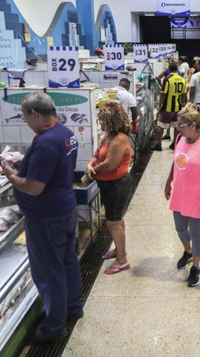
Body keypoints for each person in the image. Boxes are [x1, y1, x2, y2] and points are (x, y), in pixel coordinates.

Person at [0, 92, 81, 342]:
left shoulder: (46, 141)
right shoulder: (66, 133)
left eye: (25, 117)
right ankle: (73, 308)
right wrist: (26, 161)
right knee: (68, 262)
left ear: (35, 114)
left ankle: (54, 328)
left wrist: (10, 175)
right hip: (66, 209)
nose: (25, 121)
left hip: (47, 217)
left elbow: (34, 187)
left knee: (49, 272)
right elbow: (54, 166)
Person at [164, 103, 200, 287]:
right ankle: (188, 252)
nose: (177, 129)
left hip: (198, 198)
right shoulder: (180, 140)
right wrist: (168, 182)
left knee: (196, 233)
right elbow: (176, 162)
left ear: (192, 126)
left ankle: (196, 267)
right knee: (180, 228)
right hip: (180, 195)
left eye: (180, 125)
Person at [85, 100, 132, 275]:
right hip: (108, 184)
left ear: (111, 120)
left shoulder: (120, 139)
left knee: (113, 222)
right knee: (116, 220)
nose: (101, 123)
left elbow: (110, 165)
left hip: (117, 186)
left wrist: (93, 170)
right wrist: (90, 165)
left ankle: (122, 260)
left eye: (103, 120)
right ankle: (119, 250)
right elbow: (98, 154)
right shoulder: (108, 136)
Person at [156, 61, 188, 150]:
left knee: (161, 125)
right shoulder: (182, 79)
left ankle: (159, 145)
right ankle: (175, 144)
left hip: (167, 106)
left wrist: (160, 105)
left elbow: (163, 94)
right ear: (177, 69)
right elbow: (184, 93)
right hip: (177, 107)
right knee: (176, 126)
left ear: (169, 70)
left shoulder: (168, 79)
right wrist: (181, 103)